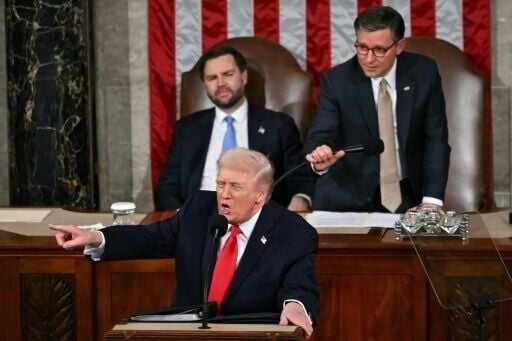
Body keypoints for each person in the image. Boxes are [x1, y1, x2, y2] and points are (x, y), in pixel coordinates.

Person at [50, 148, 319, 337]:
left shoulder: (293, 233)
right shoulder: (199, 210)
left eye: (235, 187)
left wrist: (295, 305)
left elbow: (300, 283)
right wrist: (97, 237)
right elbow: (151, 237)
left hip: (247, 334)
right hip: (188, 333)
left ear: (260, 195)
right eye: (220, 184)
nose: (223, 195)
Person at [304, 6, 450, 213]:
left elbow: (436, 139)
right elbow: (320, 134)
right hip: (346, 197)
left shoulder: (423, 72)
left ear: (399, 46)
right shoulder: (336, 81)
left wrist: (431, 201)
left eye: (379, 50)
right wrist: (320, 156)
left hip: (408, 196)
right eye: (362, 47)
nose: (369, 59)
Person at [154, 46, 314, 212]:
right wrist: (182, 217)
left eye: (228, 74)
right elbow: (167, 187)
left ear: (243, 77)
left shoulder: (279, 126)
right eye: (212, 78)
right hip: (198, 220)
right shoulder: (187, 129)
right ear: (205, 85)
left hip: (260, 221)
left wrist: (300, 200)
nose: (220, 83)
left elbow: (299, 179)